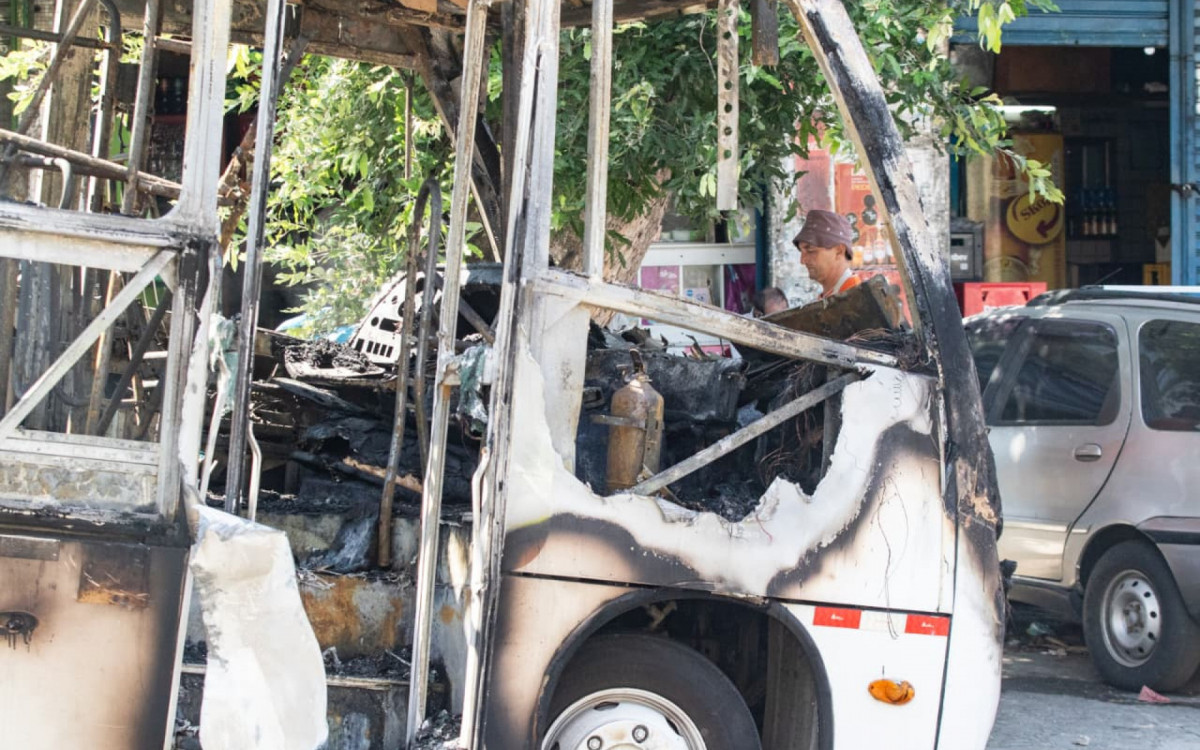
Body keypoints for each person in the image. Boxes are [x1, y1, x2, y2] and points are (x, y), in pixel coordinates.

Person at [794, 209, 861, 299]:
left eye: (810, 250)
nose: (802, 260)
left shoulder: (857, 299)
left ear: (839, 251)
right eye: (801, 251)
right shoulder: (832, 297)